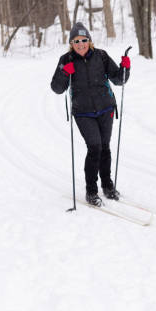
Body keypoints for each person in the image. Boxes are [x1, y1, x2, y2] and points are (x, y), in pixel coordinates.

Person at [51, 22, 131, 207]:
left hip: (106, 109)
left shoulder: (101, 56)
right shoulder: (66, 59)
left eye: (84, 40)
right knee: (94, 147)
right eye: (76, 41)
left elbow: (119, 79)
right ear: (71, 43)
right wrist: (64, 72)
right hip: (83, 112)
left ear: (89, 40)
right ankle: (91, 191)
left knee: (105, 147)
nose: (81, 44)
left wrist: (125, 67)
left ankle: (108, 185)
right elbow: (57, 88)